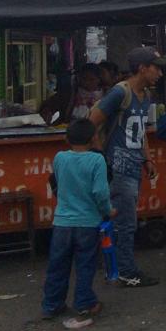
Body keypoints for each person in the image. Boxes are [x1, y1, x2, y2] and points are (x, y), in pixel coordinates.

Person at [89, 47, 165, 288]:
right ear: (142, 69)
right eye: (156, 68)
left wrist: (147, 159)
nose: (160, 73)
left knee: (125, 220)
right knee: (125, 222)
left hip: (133, 164)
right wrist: (102, 157)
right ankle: (127, 271)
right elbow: (91, 122)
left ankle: (119, 266)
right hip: (118, 165)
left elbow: (140, 132)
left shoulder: (145, 96)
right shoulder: (120, 93)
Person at [41, 119, 112, 319]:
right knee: (85, 265)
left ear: (66, 138)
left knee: (57, 265)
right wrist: (108, 211)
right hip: (87, 223)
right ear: (93, 139)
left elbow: (57, 183)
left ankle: (52, 305)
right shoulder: (97, 161)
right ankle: (84, 303)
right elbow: (100, 192)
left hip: (62, 223)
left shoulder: (59, 158)